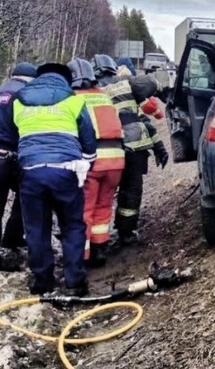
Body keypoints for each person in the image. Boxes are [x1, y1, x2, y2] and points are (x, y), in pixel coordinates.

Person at [13, 63, 97, 295]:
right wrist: (87, 165)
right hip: (66, 169)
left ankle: (42, 282)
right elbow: (89, 140)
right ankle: (74, 283)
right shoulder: (73, 100)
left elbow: (13, 135)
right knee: (72, 225)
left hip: (31, 170)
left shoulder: (19, 100)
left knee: (36, 228)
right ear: (65, 80)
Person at [92, 54, 168, 247]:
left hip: (104, 149)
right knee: (131, 191)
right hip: (135, 147)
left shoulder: (89, 91)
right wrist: (163, 90)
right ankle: (126, 233)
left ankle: (95, 238)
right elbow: (144, 115)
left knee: (100, 193)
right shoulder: (126, 82)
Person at [68, 58, 125, 267]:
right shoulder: (104, 96)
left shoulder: (73, 98)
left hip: (93, 160)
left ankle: (81, 257)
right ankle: (99, 251)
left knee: (84, 209)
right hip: (116, 159)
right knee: (103, 207)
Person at [0, 62, 37, 251]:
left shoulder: (2, 88)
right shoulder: (25, 95)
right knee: (26, 196)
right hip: (13, 154)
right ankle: (11, 240)